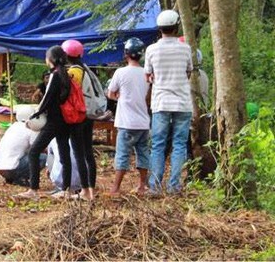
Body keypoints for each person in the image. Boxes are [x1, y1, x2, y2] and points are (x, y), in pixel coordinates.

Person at [16, 45, 91, 200]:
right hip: (65, 121)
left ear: (50, 59)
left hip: (53, 122)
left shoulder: (55, 75)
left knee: (34, 152)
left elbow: (47, 99)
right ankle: (66, 189)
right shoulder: (66, 74)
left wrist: (34, 115)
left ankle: (33, 190)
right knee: (64, 155)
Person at [145, 10, 193, 194]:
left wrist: (156, 79)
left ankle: (155, 186)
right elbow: (188, 73)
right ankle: (174, 186)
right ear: (176, 26)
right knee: (179, 144)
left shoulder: (152, 50)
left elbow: (148, 76)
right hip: (182, 102)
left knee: (158, 144)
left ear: (160, 29)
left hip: (161, 103)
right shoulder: (185, 48)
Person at [106, 37, 151, 196]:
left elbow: (111, 93)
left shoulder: (120, 72)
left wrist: (119, 96)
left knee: (123, 154)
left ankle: (116, 188)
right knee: (143, 153)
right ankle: (142, 186)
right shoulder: (146, 73)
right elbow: (147, 97)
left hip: (126, 122)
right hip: (143, 122)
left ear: (126, 54)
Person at [62, 39, 98, 199]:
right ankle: (91, 189)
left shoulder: (74, 72)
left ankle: (85, 191)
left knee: (79, 154)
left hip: (79, 115)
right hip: (89, 114)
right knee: (88, 153)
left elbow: (69, 92)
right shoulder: (85, 69)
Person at [0, 105, 46, 187]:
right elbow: (38, 148)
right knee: (43, 157)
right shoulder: (30, 129)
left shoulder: (13, 126)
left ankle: (12, 178)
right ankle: (21, 178)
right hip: (13, 169)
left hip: (0, 168)